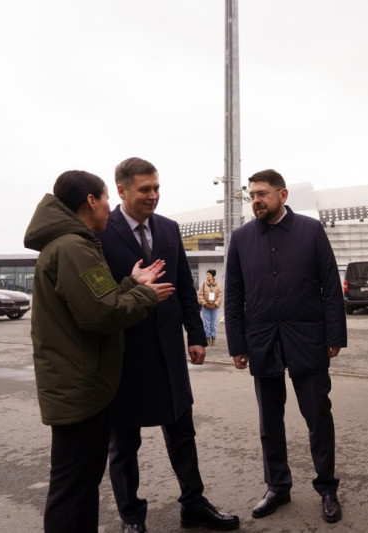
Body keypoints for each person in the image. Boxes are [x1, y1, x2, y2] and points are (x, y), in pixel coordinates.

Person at [23, 170, 175, 532]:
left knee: (81, 483)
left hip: (79, 383)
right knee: (72, 488)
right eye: (106, 198)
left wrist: (131, 282)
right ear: (90, 201)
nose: (109, 207)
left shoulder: (72, 244)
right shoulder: (74, 248)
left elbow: (96, 301)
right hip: (79, 386)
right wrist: (145, 295)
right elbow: (102, 314)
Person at [97, 157, 239, 532]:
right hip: (124, 354)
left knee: (182, 434)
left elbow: (183, 288)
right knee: (123, 445)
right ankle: (131, 517)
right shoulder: (101, 232)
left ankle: (193, 504)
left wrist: (196, 335)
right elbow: (99, 300)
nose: (153, 195)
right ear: (121, 190)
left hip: (168, 352)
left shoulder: (169, 228)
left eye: (157, 188)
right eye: (144, 189)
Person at [224, 169, 347, 524]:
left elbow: (330, 286)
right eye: (252, 195)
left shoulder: (311, 231)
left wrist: (334, 337)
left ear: (283, 194)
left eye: (262, 193)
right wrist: (237, 344)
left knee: (317, 415)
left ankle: (327, 488)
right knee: (269, 420)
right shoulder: (241, 238)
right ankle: (277, 487)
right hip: (262, 341)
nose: (256, 200)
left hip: (307, 339)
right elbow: (234, 295)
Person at [198, 269, 223, 345]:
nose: (207, 276)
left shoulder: (218, 285)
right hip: (205, 307)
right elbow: (200, 295)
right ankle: (207, 338)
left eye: (209, 274)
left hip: (215, 307)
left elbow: (220, 296)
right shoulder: (203, 285)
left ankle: (213, 338)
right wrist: (205, 304)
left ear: (212, 276)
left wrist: (215, 304)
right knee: (206, 323)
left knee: (214, 323)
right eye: (206, 274)